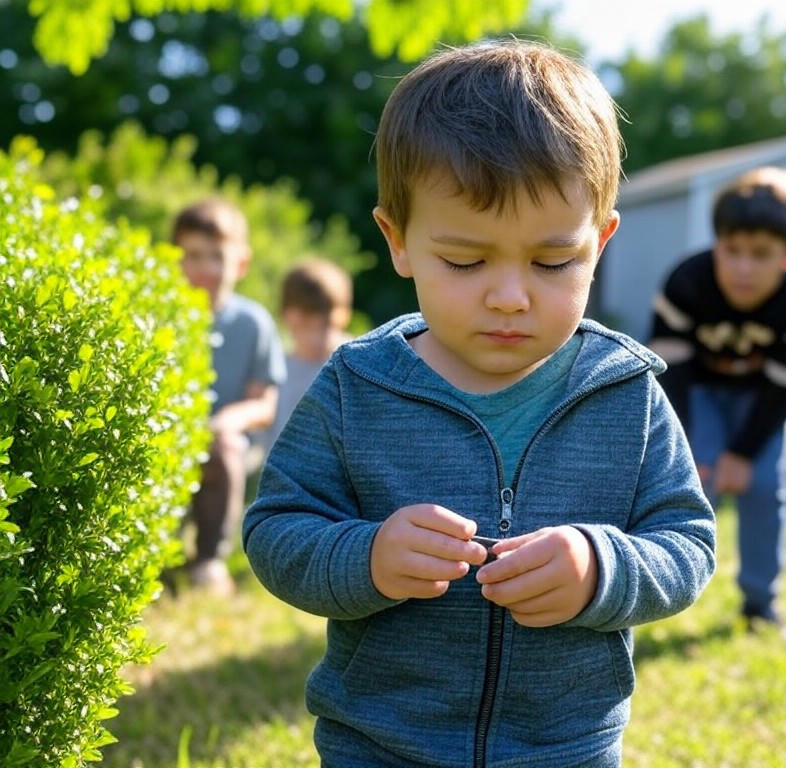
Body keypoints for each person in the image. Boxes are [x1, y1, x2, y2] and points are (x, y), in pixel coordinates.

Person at [243, 40, 716, 767]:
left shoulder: (626, 394)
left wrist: (601, 566)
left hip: (565, 748)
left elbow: (687, 544)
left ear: (601, 240)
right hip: (378, 744)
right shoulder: (358, 386)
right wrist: (366, 556)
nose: (509, 295)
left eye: (553, 262)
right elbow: (277, 530)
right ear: (397, 240)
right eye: (465, 261)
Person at [647, 166, 786, 633]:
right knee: (689, 479)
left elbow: (785, 386)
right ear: (716, 243)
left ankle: (760, 603)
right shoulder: (686, 282)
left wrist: (744, 453)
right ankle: (654, 589)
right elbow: (672, 373)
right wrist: (688, 444)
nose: (743, 267)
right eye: (732, 251)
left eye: (761, 254)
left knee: (767, 486)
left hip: (762, 399)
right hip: (699, 393)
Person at [173, 197, 286, 596]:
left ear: (240, 263)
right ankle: (161, 554)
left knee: (223, 445)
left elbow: (264, 404)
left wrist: (225, 421)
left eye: (216, 256)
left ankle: (209, 558)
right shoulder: (163, 315)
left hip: (231, 442)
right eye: (192, 255)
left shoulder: (252, 322)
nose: (204, 268)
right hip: (174, 434)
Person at [269, 258, 354, 446]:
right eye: (306, 325)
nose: (317, 338)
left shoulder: (357, 365)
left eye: (326, 326)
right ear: (288, 317)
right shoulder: (278, 371)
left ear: (344, 316)